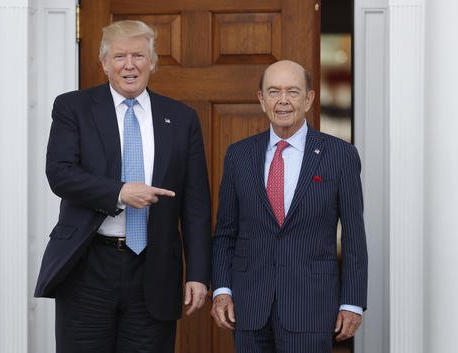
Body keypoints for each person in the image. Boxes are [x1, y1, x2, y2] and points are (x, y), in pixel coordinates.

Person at [34, 20, 212, 353]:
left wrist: (198, 273)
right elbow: (60, 173)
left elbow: (196, 203)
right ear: (104, 63)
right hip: (88, 266)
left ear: (152, 62)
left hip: (154, 267)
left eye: (138, 56)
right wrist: (119, 192)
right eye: (119, 56)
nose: (129, 65)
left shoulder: (181, 117)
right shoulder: (74, 108)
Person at [211, 60, 367, 353]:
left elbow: (354, 236)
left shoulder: (340, 155)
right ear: (261, 99)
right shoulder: (238, 155)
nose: (283, 100)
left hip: (312, 307)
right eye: (274, 92)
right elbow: (225, 233)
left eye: (293, 92)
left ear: (309, 99)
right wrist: (221, 290)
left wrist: (352, 303)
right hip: (250, 307)